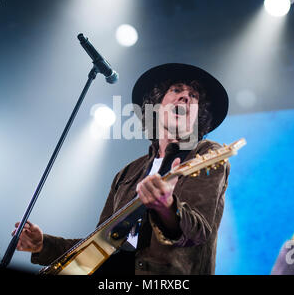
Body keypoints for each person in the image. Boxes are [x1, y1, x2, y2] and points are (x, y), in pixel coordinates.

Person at [12, 63, 231, 275]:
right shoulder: (128, 173)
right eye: (176, 90)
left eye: (194, 96)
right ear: (156, 105)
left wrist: (168, 207)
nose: (185, 97)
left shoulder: (207, 154)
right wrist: (43, 245)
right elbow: (98, 247)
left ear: (198, 116)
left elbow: (198, 232)